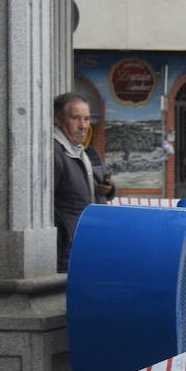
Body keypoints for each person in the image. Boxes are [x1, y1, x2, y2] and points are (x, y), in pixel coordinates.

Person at [53, 92, 115, 272]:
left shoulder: (80, 150)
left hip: (82, 245)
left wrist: (106, 188)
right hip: (64, 252)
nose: (83, 126)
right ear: (58, 119)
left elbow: (82, 183)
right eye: (75, 118)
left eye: (87, 119)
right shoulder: (54, 152)